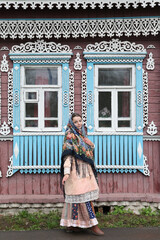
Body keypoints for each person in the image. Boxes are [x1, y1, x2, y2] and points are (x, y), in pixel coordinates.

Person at [60, 112, 104, 236]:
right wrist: (67, 173)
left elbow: (88, 153)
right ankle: (92, 225)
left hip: (86, 171)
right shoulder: (70, 136)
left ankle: (76, 225)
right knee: (80, 199)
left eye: (80, 121)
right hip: (75, 172)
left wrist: (91, 145)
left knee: (85, 198)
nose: (79, 123)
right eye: (76, 121)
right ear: (71, 123)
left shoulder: (82, 136)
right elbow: (67, 155)